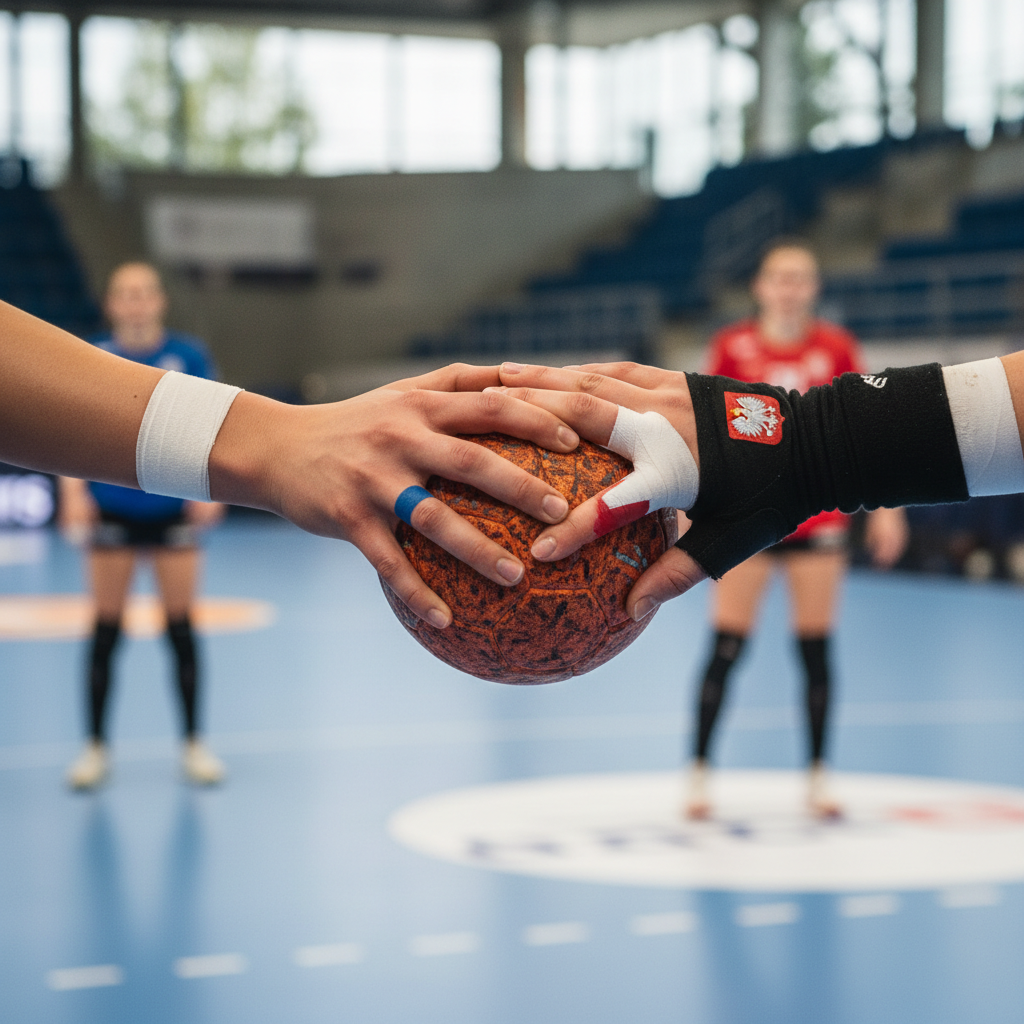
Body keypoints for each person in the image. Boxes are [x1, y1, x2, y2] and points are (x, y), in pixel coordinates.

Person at [684, 242, 908, 819]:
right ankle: (699, 773)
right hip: (749, 521)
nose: (789, 288)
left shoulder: (836, 348)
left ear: (813, 289)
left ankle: (816, 777)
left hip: (820, 522)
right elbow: (707, 435)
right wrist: (690, 505)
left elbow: (871, 432)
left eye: (800, 279)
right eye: (779, 278)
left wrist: (889, 508)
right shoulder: (732, 347)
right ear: (760, 287)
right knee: (727, 646)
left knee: (815, 650)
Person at [61, 263, 227, 789]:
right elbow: (65, 424)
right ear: (112, 305)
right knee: (106, 631)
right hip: (112, 509)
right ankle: (94, 749)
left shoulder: (189, 356)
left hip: (172, 511)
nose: (135, 303)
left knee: (180, 630)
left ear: (158, 302)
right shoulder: (93, 357)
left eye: (144, 293)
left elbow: (217, 428)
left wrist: (213, 491)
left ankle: (194, 744)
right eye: (124, 295)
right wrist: (71, 493)